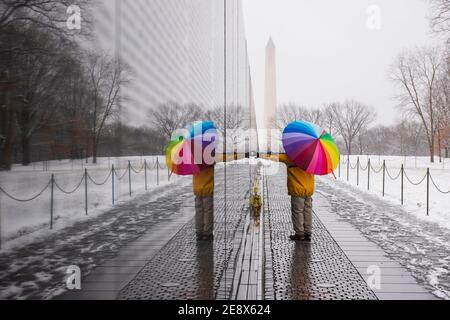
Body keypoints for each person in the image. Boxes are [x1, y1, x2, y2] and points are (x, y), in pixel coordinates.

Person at [262, 153, 315, 242]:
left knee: (297, 212)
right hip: (309, 190)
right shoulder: (312, 158)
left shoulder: (291, 157)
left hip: (297, 190)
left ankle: (300, 233)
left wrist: (262, 155)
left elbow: (275, 157)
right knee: (307, 211)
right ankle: (308, 233)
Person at [193, 153, 237, 241]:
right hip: (207, 188)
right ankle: (207, 233)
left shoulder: (194, 158)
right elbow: (213, 163)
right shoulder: (209, 157)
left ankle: (199, 232)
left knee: (199, 210)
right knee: (208, 211)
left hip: (197, 188)